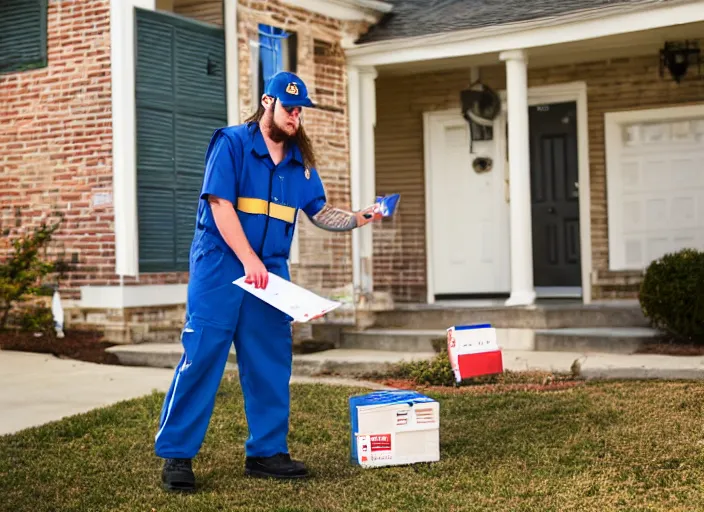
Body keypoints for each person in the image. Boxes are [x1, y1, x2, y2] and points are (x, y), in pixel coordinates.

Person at [154, 71, 379, 492]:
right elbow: (220, 207)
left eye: (300, 111)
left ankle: (266, 453)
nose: (295, 117)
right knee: (202, 355)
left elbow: (319, 212)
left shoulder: (300, 163)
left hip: (270, 272)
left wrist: (359, 217)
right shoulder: (232, 143)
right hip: (221, 264)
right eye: (289, 108)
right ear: (267, 102)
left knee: (271, 360)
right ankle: (177, 456)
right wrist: (247, 259)